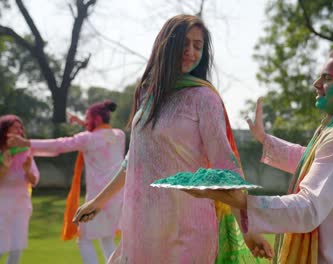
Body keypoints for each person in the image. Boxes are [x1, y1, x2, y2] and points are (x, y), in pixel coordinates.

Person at [72, 14, 271, 263]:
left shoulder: (204, 98)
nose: (191, 52)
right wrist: (99, 201)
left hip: (187, 229)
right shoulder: (148, 94)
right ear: (167, 44)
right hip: (143, 225)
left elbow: (225, 167)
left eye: (198, 46)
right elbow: (135, 159)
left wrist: (248, 229)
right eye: (184, 44)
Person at [186, 47, 333, 264]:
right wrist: (266, 140)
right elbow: (314, 164)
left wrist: (243, 201)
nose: (317, 84)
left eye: (327, 78)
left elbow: (308, 209)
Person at [8, 100, 125, 264]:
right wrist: (83, 122)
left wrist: (26, 143)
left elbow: (59, 145)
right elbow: (99, 135)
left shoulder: (87, 139)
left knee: (84, 240)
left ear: (96, 119)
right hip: (117, 198)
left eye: (88, 118)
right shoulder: (118, 135)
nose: (86, 122)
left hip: (98, 200)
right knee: (107, 240)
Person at [0, 115, 40, 264]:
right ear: (5, 131)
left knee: (16, 251)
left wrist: (27, 170)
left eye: (20, 127)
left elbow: (34, 180)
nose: (19, 130)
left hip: (21, 207)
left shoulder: (25, 152)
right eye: (15, 127)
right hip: (2, 208)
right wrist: (4, 167)